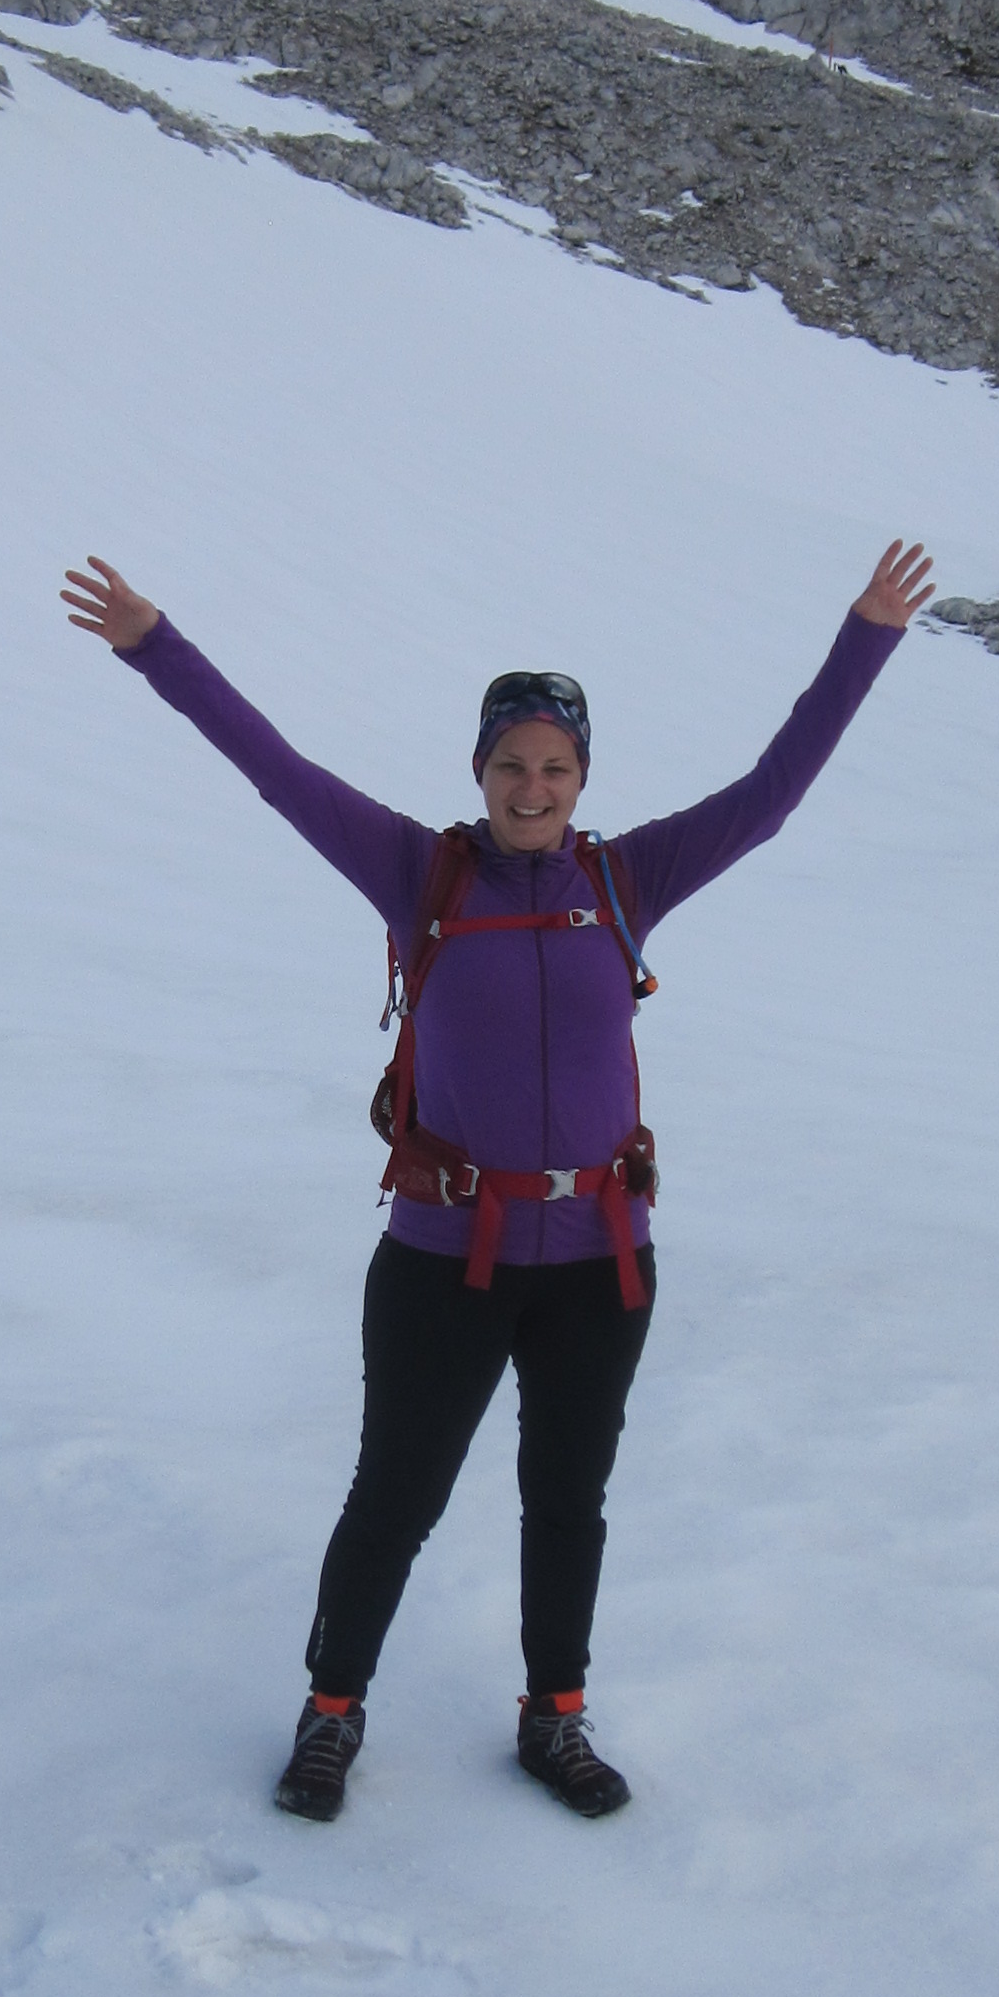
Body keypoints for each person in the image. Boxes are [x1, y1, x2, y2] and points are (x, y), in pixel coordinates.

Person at [59, 542, 934, 1822]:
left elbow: (774, 790)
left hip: (601, 1261)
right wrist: (154, 644)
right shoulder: (425, 876)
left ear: (584, 781)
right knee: (396, 1492)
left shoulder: (625, 881)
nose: (534, 786)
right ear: (480, 771)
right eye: (513, 764)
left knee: (565, 1497)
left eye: (556, 767)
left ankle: (556, 1716)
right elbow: (275, 768)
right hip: (440, 1260)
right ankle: (332, 1708)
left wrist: (865, 634)